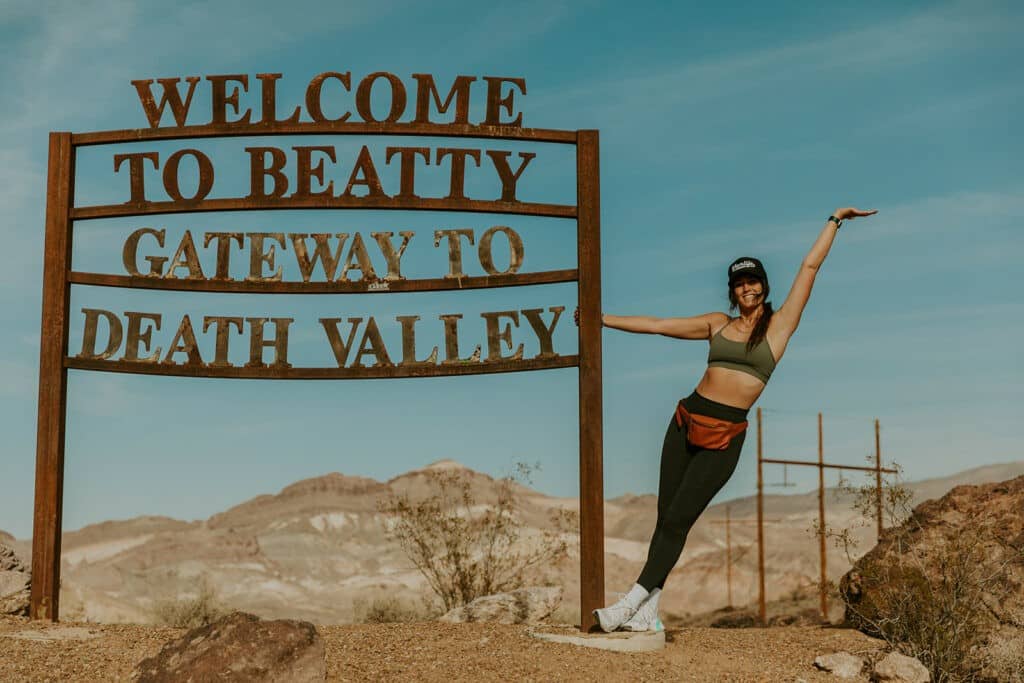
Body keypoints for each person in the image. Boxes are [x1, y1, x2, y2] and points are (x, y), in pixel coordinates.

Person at [577, 207, 878, 632]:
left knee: (680, 518)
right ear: (732, 292)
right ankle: (649, 611)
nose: (746, 288)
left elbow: (810, 266)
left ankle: (629, 603)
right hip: (684, 423)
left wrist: (834, 220)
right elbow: (659, 325)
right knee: (666, 519)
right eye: (738, 284)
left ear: (764, 286)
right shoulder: (717, 325)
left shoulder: (780, 327)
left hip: (724, 439)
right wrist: (601, 320)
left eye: (752, 281)